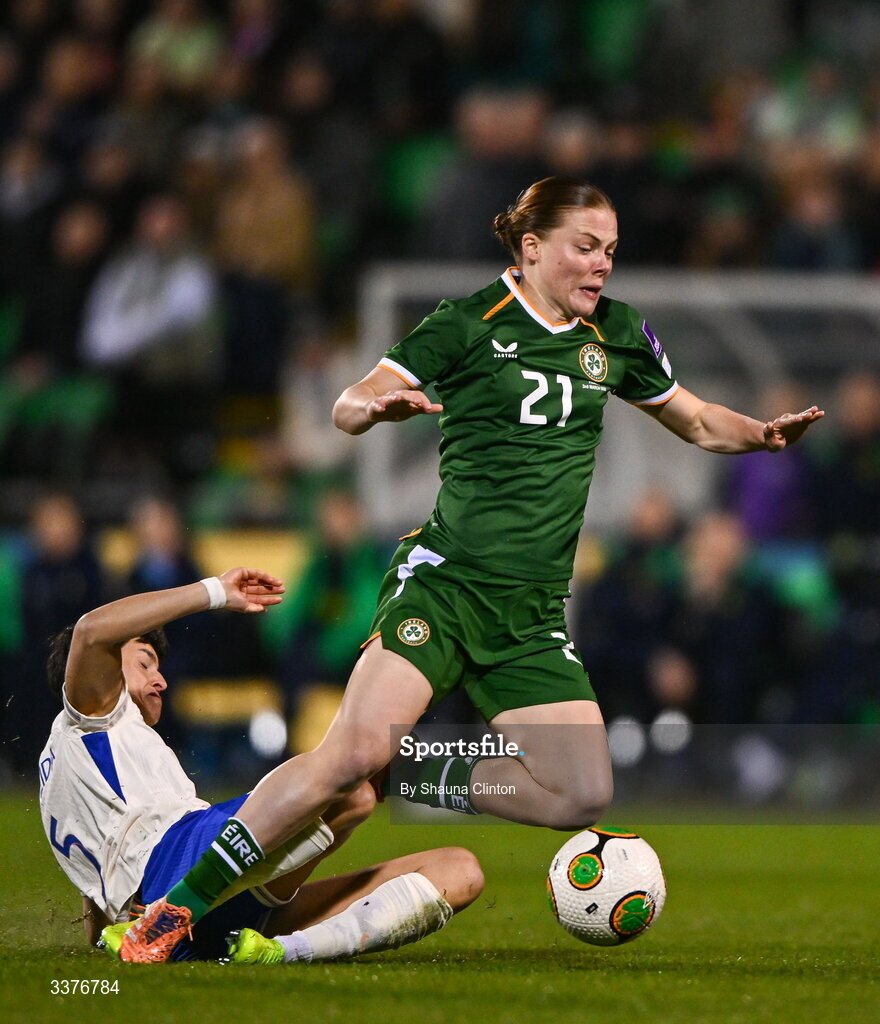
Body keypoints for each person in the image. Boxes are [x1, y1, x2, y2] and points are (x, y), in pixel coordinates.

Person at [120, 175, 823, 961]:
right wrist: (375, 407)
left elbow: (693, 417)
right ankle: (172, 910)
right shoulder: (466, 323)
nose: (602, 266)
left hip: (531, 614)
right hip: (445, 585)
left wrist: (759, 434)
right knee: (348, 752)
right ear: (532, 248)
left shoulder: (616, 333)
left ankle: (410, 770)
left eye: (611, 252)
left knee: (581, 792)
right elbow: (350, 401)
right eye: (585, 248)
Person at [39, 567, 482, 963]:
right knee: (349, 778)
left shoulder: (77, 759)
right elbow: (92, 630)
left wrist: (101, 937)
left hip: (197, 917)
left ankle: (273, 951)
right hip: (173, 869)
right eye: (144, 662)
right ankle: (166, 914)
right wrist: (214, 591)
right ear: (92, 673)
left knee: (457, 869)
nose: (161, 679)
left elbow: (101, 872)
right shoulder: (93, 715)